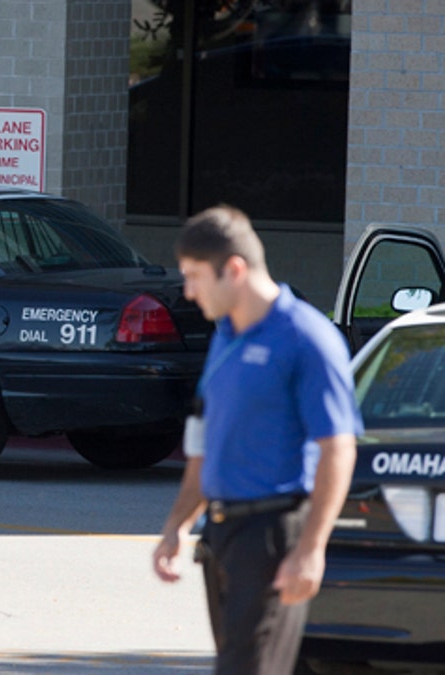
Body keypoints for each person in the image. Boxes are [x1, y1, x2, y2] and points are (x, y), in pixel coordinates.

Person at [151, 205, 361, 673]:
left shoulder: (307, 338)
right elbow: (205, 445)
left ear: (235, 270)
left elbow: (338, 449)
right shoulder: (225, 335)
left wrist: (309, 549)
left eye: (194, 276)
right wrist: (176, 526)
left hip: (272, 534)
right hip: (221, 535)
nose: (187, 291)